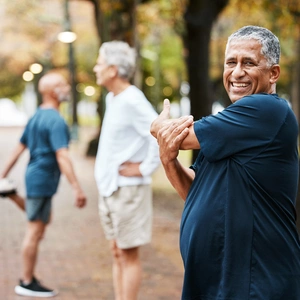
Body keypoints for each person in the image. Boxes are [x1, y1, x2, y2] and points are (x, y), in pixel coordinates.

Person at [151, 25, 300, 300]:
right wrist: (168, 160)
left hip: (255, 281)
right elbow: (196, 190)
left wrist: (160, 127)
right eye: (231, 62)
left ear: (273, 73)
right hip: (216, 281)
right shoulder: (231, 126)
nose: (237, 72)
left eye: (249, 63)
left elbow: (180, 137)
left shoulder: (268, 110)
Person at [0, 71, 87, 298]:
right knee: (35, 230)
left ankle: (9, 193)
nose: (67, 88)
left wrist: (2, 175)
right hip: (42, 179)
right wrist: (76, 187)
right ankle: (26, 281)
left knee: (43, 220)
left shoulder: (37, 116)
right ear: (51, 91)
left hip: (36, 177)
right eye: (62, 85)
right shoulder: (56, 120)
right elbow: (63, 156)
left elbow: (19, 148)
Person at [93, 41, 160, 300]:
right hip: (110, 188)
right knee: (116, 251)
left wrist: (144, 168)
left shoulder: (133, 99)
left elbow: (157, 132)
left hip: (129, 191)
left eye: (99, 62)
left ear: (112, 70)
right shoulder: (113, 98)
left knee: (128, 254)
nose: (95, 68)